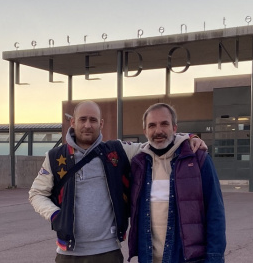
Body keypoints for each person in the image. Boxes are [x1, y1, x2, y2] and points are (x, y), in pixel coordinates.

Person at [28, 100, 206, 263]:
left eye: (93, 120)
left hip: (109, 252)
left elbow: (156, 141)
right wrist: (54, 215)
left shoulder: (116, 151)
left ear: (101, 124)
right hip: (68, 253)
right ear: (73, 122)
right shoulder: (55, 157)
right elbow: (36, 194)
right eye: (82, 120)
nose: (88, 125)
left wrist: (188, 137)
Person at [128, 103, 226, 263]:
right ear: (145, 131)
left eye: (164, 124)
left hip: (187, 258)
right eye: (152, 125)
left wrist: (215, 258)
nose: (158, 131)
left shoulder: (198, 160)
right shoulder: (139, 164)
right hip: (149, 258)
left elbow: (215, 212)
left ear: (174, 128)